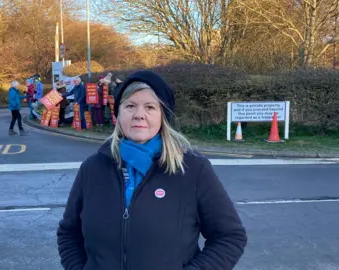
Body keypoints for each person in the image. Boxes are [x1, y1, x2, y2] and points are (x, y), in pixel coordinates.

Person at [57, 70, 247, 270]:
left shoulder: (193, 169)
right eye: (130, 106)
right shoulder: (92, 168)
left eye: (150, 107)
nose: (139, 114)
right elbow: (69, 233)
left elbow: (229, 237)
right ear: (118, 113)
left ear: (163, 115)